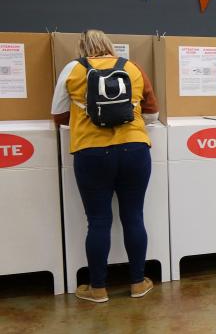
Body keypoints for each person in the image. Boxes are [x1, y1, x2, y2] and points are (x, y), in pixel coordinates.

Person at [51, 29, 159, 303]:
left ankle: (97, 288)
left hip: (91, 153)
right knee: (134, 217)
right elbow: (153, 112)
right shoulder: (132, 67)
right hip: (134, 149)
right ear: (110, 46)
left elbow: (58, 116)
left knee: (98, 221)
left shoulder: (72, 69)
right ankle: (137, 282)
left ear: (82, 48)